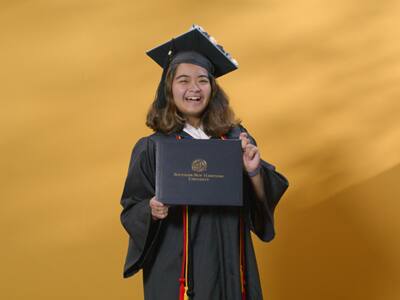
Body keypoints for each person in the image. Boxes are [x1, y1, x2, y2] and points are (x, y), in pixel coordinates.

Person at [120, 25, 289, 300]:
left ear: (212, 87)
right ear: (169, 88)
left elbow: (261, 210)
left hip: (231, 270)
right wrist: (150, 210)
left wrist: (253, 170)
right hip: (178, 277)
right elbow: (131, 209)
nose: (194, 89)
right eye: (183, 80)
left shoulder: (235, 140)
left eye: (202, 80)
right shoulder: (153, 147)